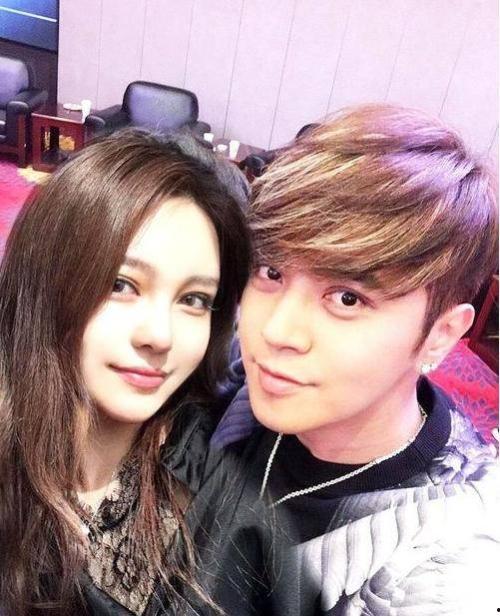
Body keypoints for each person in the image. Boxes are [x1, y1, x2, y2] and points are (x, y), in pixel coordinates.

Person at [213, 104, 500, 614]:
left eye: (347, 298)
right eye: (272, 273)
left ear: (440, 336)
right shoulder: (238, 377)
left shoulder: (441, 570)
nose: (276, 331)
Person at [0, 128, 251, 615]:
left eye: (194, 299)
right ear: (48, 280)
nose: (160, 335)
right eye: (122, 284)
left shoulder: (213, 472)